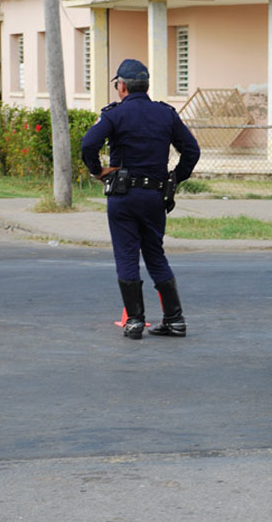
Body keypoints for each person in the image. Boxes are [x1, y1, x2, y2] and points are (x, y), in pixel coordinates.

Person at [81, 59, 200, 340]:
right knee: (155, 254)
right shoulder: (166, 114)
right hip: (155, 195)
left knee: (126, 254)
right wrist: (175, 178)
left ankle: (135, 321)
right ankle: (175, 319)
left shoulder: (114, 115)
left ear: (121, 86)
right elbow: (191, 151)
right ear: (145, 87)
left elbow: (88, 144)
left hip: (123, 196)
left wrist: (98, 171)